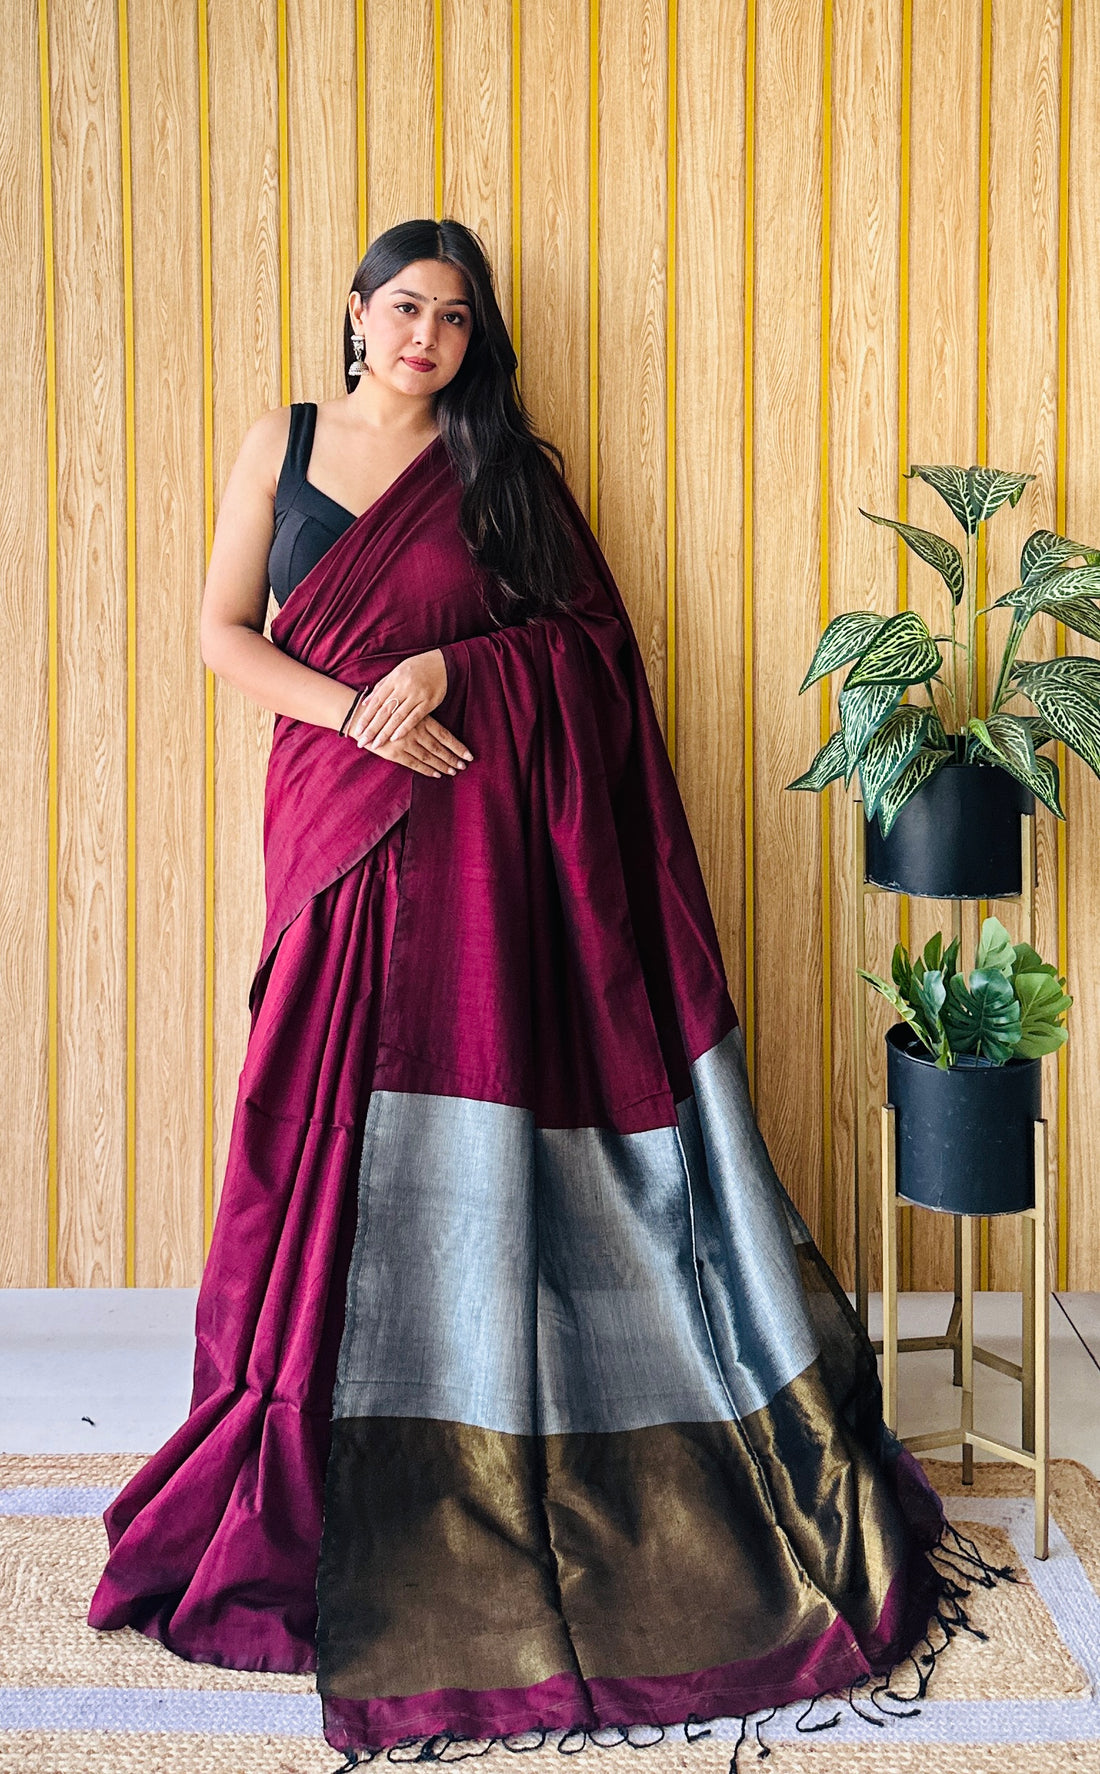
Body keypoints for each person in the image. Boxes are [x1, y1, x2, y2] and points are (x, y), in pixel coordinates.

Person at [88, 219, 994, 1763]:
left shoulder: (504, 469)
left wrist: (454, 671)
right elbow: (221, 635)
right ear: (356, 312)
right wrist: (360, 713)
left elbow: (588, 650)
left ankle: (477, 1428)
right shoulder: (281, 446)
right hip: (333, 826)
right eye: (404, 307)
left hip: (483, 856)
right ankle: (294, 1445)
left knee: (459, 1115)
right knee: (301, 1130)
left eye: (454, 317)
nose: (425, 336)